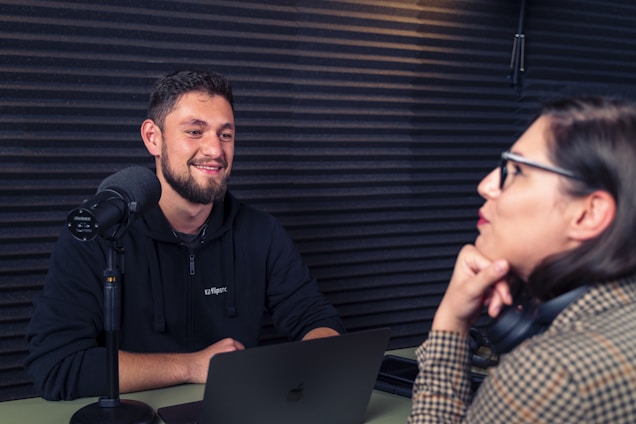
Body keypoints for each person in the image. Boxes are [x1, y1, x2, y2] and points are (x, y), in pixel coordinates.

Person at [25, 69, 345, 401]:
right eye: (195, 131)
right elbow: (56, 366)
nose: (215, 150)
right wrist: (192, 366)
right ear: (153, 138)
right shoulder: (99, 234)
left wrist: (312, 363)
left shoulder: (260, 232)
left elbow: (316, 318)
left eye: (225, 135)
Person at [408, 97, 636, 423]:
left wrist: (451, 324)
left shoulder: (550, 373)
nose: (486, 185)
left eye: (515, 170)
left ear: (588, 214)